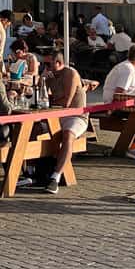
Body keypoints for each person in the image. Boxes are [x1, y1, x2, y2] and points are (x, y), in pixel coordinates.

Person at [40, 53, 94, 194]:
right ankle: (32, 171)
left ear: (58, 63)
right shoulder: (50, 76)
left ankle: (55, 176)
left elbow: (66, 102)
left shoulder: (70, 74)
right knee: (34, 130)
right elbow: (41, 97)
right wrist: (42, 80)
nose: (45, 68)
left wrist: (49, 101)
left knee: (68, 135)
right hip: (56, 115)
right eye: (43, 65)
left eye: (48, 64)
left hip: (76, 115)